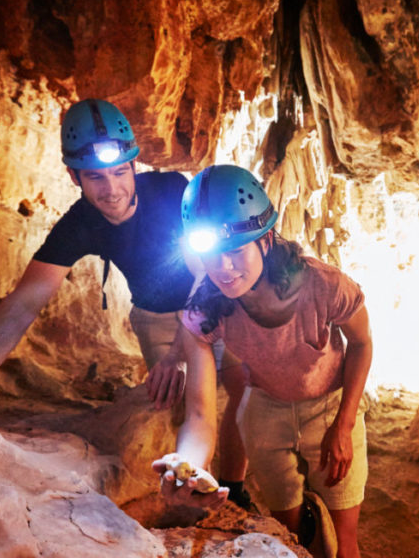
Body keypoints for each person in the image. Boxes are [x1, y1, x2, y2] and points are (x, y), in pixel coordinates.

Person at [0, 99, 250, 506]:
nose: (112, 189)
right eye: (96, 178)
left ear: (135, 166)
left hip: (208, 299)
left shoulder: (173, 194)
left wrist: (179, 351)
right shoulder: (79, 224)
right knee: (176, 401)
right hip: (153, 315)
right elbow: (23, 304)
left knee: (241, 384)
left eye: (120, 172)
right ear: (73, 176)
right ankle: (190, 481)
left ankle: (237, 489)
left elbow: (206, 274)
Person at [153, 164, 372, 557]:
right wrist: (186, 465)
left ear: (266, 240)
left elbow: (361, 343)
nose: (223, 269)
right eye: (211, 255)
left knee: (346, 538)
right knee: (289, 529)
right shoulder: (204, 310)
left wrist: (344, 422)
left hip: (328, 404)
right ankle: (308, 525)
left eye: (235, 251)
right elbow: (201, 415)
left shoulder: (324, 286)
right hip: (265, 408)